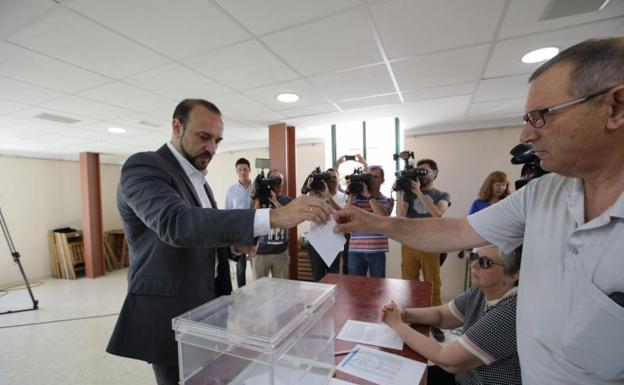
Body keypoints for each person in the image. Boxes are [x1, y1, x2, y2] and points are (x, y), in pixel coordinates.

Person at [334, 37, 624, 385]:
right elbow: (454, 232)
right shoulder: (543, 193)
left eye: (541, 116)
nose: (526, 134)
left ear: (616, 107)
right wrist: (370, 220)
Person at [106, 99, 332, 385]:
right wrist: (273, 217)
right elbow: (176, 224)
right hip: (169, 313)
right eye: (204, 137)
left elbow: (201, 232)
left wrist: (233, 246)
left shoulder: (199, 180)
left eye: (217, 140)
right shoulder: (143, 167)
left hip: (208, 309)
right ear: (177, 127)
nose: (212, 148)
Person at [382, 245, 522, 385]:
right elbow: (442, 315)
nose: (473, 264)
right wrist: (405, 314)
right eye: (474, 257)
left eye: (485, 262)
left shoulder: (510, 311)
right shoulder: (480, 291)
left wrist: (398, 325)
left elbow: (448, 360)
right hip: (464, 377)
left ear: (512, 275)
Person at [396, 158, 450, 342]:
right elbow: (400, 216)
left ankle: (436, 323)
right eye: (418, 171)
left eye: (424, 171)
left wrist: (418, 192)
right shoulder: (409, 195)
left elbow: (438, 214)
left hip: (431, 244)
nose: (421, 174)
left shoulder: (442, 194)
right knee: (408, 284)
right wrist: (400, 192)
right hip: (409, 243)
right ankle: (411, 318)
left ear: (435, 172)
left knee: (432, 285)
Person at [347, 165, 394, 277]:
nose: (372, 179)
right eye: (369, 176)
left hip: (377, 251)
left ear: (383, 180)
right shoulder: (356, 199)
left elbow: (383, 217)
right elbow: (346, 216)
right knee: (355, 287)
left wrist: (368, 195)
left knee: (378, 288)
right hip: (355, 250)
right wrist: (350, 194)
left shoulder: (387, 200)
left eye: (375, 176)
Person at [307, 168, 347, 281]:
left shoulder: (344, 197)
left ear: (339, 180)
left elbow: (343, 216)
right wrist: (312, 188)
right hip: (316, 242)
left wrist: (328, 196)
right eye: (329, 177)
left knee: (334, 279)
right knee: (318, 278)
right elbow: (308, 209)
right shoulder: (315, 196)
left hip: (335, 243)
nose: (332, 180)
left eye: (335, 177)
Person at [252, 169, 291, 279]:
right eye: (275, 181)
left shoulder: (286, 201)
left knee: (282, 289)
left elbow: (288, 217)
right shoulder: (259, 199)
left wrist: (275, 201)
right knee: (258, 288)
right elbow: (254, 217)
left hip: (280, 252)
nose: (279, 184)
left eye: (281, 181)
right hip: (261, 252)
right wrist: (257, 199)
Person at [224, 157, 253, 288]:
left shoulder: (256, 188)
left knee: (256, 266)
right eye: (240, 169)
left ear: (250, 170)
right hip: (239, 233)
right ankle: (242, 295)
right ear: (236, 171)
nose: (242, 172)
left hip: (254, 230)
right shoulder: (231, 191)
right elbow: (228, 212)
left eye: (245, 169)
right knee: (241, 269)